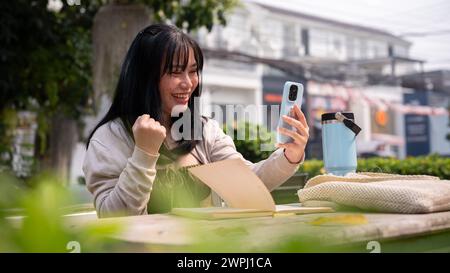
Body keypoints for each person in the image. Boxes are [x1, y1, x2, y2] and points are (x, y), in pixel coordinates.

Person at [83, 23, 309, 218]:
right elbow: (114, 217)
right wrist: (144, 153)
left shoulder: (204, 130)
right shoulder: (109, 139)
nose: (188, 83)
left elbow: (249, 183)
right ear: (145, 77)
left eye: (193, 71)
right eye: (175, 72)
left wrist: (289, 155)